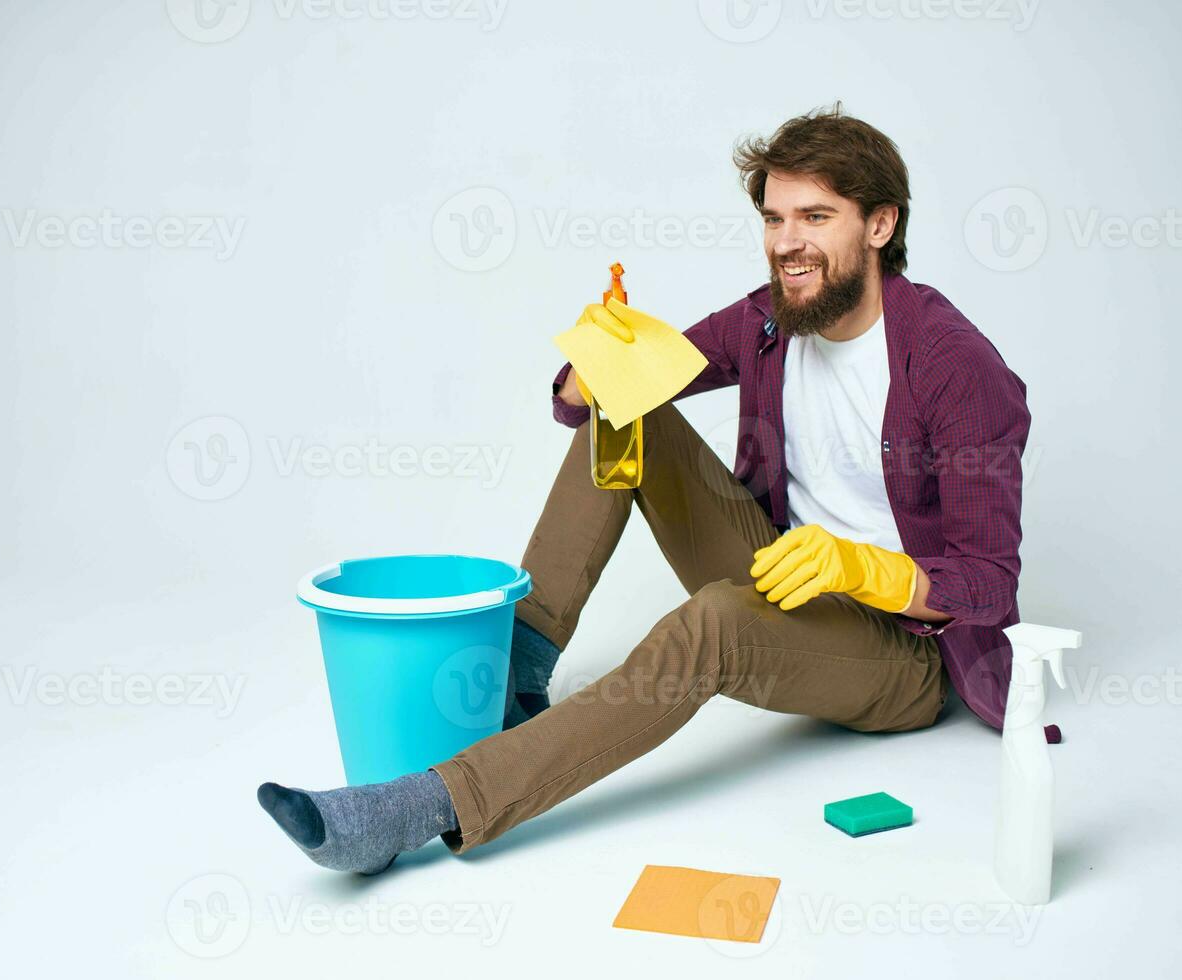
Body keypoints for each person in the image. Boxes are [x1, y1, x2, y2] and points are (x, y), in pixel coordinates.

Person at [257, 103, 1031, 875]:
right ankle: (521, 679)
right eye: (774, 218)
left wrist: (865, 569)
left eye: (816, 216)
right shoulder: (769, 320)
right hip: (785, 579)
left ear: (880, 225)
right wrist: (593, 366)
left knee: (716, 622)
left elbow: (990, 585)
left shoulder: (955, 366)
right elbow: (620, 385)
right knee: (629, 410)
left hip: (903, 655)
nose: (787, 243)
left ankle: (423, 808)